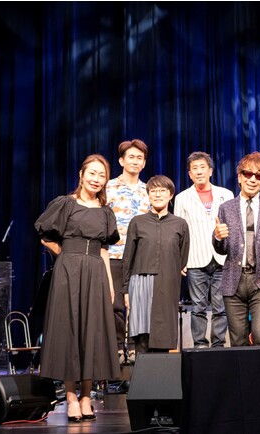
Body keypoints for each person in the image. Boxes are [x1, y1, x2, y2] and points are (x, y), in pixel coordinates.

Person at [34, 154, 120, 422]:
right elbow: (44, 236)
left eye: (102, 175)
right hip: (68, 272)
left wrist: (109, 282)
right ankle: (71, 397)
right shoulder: (66, 204)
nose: (96, 179)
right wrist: (65, 255)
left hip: (95, 271)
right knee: (69, 330)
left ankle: (86, 396)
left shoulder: (105, 211)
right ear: (81, 175)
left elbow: (104, 249)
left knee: (92, 331)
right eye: (92, 173)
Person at [213, 152, 260, 346]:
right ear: (239, 177)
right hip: (234, 281)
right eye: (248, 174)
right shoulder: (226, 208)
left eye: (259, 176)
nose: (253, 179)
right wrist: (218, 237)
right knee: (238, 340)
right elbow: (222, 249)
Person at [122, 175, 190, 354]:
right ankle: (142, 372)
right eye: (153, 191)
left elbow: (182, 257)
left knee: (163, 336)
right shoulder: (137, 222)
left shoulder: (180, 224)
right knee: (142, 337)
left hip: (167, 283)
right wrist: (126, 289)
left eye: (162, 191)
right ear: (148, 194)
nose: (158, 194)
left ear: (170, 195)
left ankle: (162, 373)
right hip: (141, 282)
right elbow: (128, 258)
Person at [174, 151, 233, 348]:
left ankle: (218, 344)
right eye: (194, 168)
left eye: (202, 167)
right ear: (190, 174)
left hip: (222, 258)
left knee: (220, 306)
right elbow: (179, 231)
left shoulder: (226, 194)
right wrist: (181, 260)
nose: (199, 172)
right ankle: (199, 344)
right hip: (195, 259)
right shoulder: (182, 198)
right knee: (198, 306)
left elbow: (232, 227)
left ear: (210, 171)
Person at [106, 139, 150, 364]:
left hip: (140, 256)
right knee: (115, 304)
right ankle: (116, 347)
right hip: (113, 254)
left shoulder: (149, 190)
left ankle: (134, 347)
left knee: (137, 303)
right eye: (131, 157)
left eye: (139, 158)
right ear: (121, 161)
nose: (135, 161)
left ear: (144, 163)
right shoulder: (108, 187)